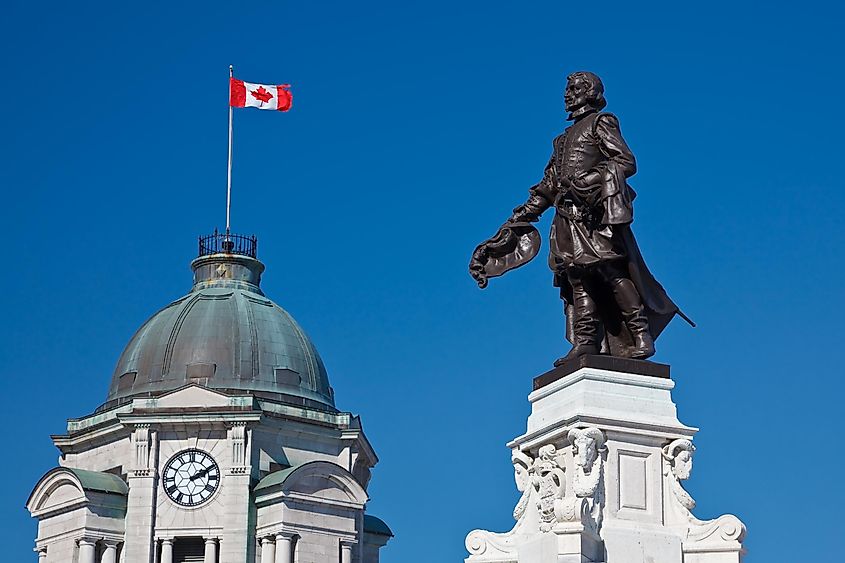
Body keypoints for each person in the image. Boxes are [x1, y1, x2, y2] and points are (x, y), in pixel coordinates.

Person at [470, 72, 690, 364]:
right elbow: (548, 186)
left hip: (593, 217)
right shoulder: (560, 141)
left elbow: (626, 162)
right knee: (577, 279)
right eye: (567, 89)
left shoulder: (602, 122)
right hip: (566, 221)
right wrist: (519, 218)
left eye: (574, 89)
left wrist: (590, 180)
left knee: (611, 273)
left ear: (590, 92)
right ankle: (585, 342)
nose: (567, 94)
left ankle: (641, 335)